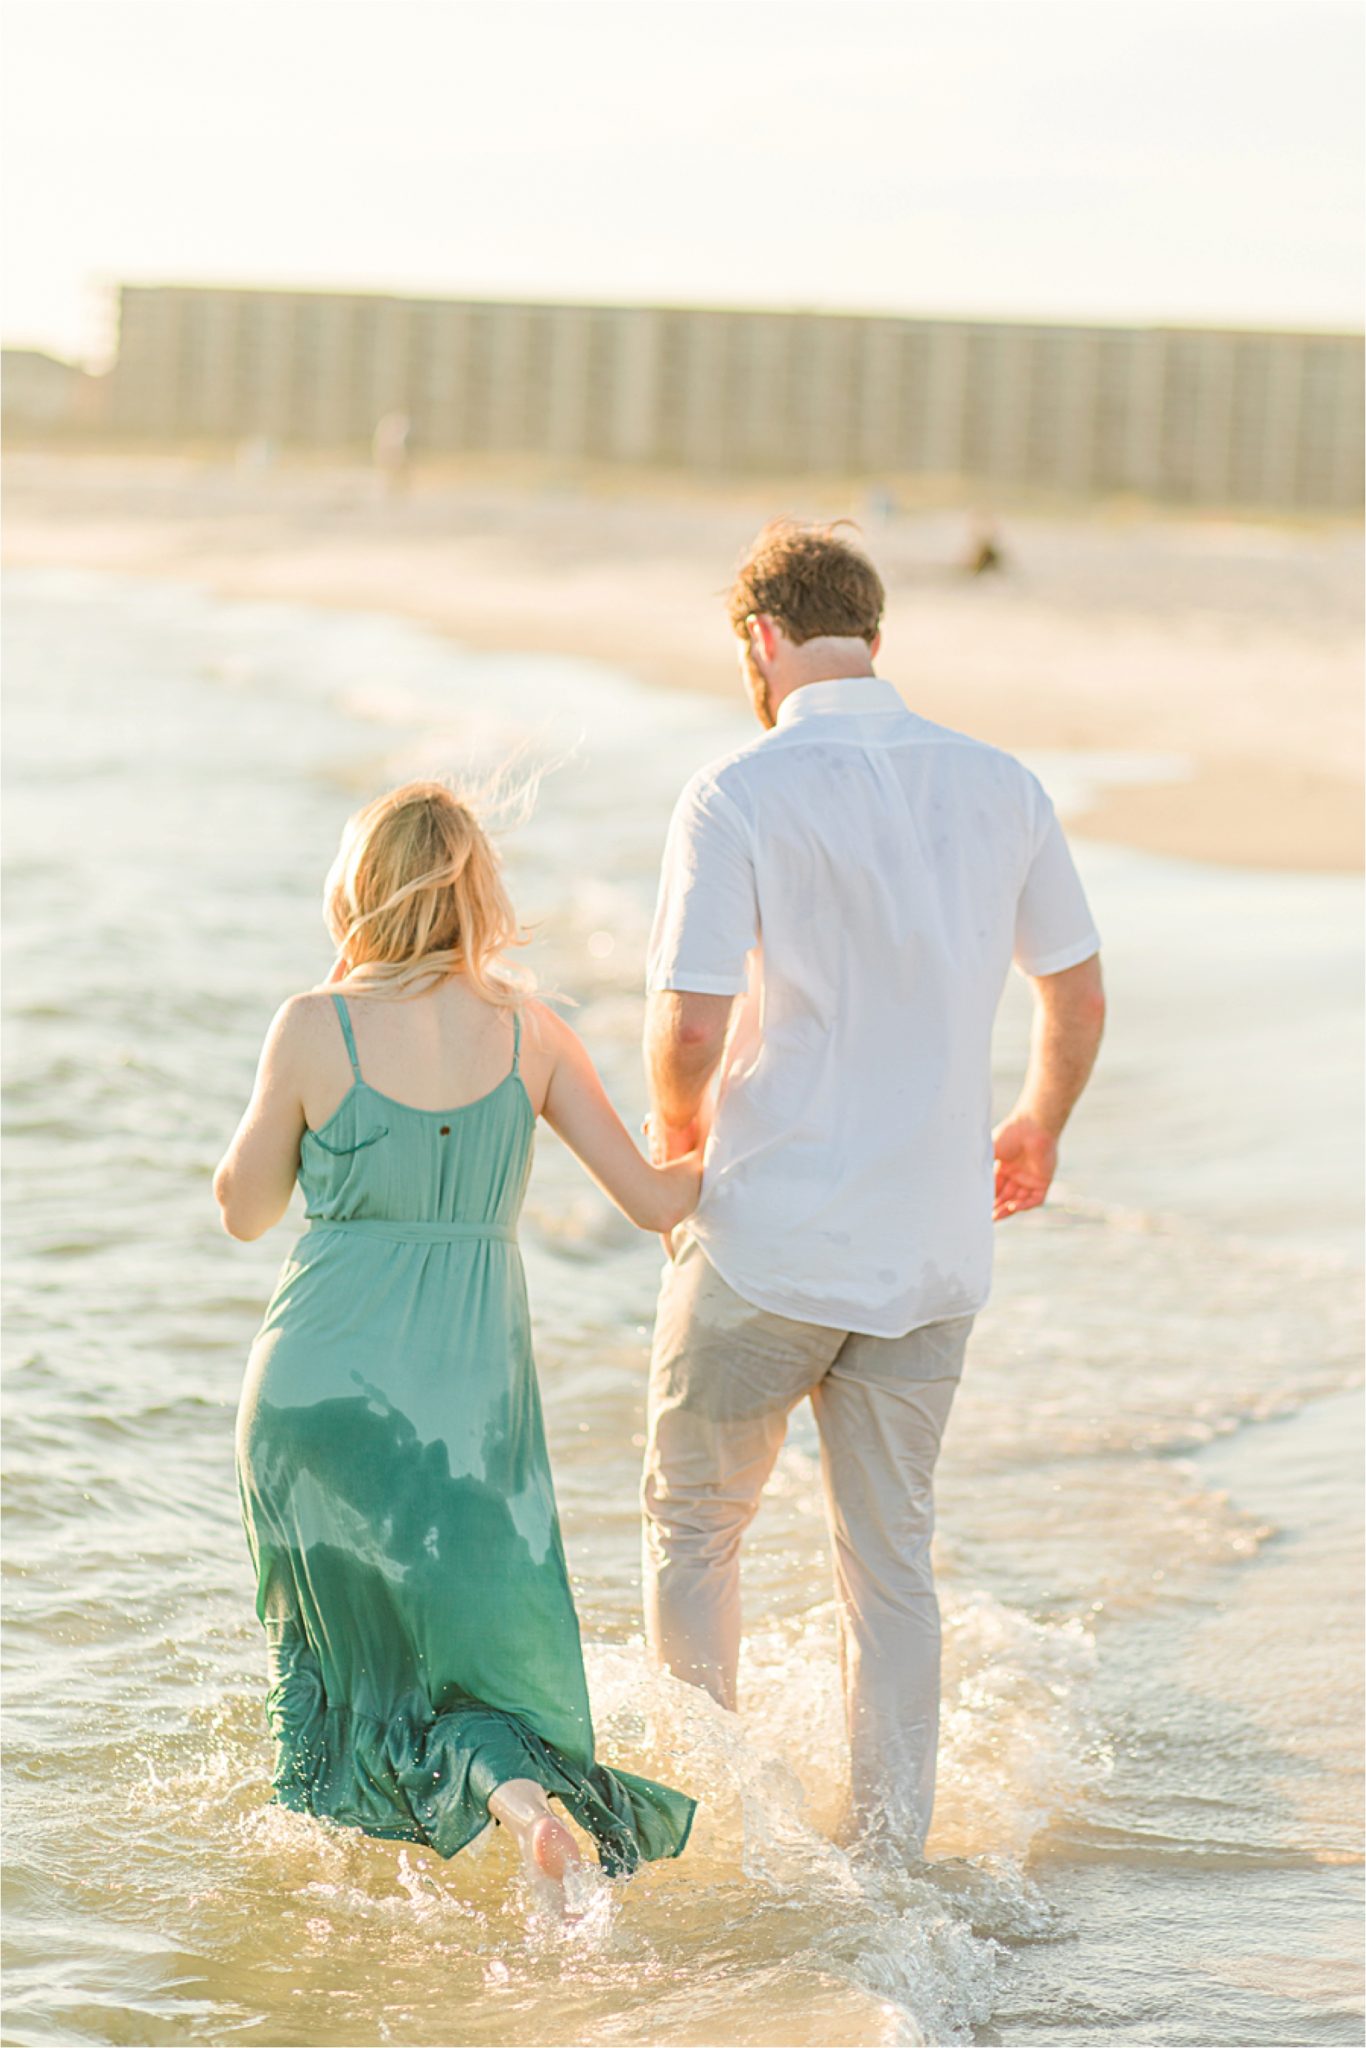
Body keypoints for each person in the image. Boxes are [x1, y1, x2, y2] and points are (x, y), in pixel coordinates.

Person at [641, 519, 1105, 1860]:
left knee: (693, 1535)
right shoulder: (1000, 783)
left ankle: (706, 1835)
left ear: (759, 642)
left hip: (763, 1245)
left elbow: (685, 1028)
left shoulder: (736, 788)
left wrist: (679, 1146)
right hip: (929, 1253)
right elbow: (1070, 988)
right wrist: (1036, 1124)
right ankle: (887, 1861)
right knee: (890, 1570)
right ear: (876, 639)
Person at [215, 780, 698, 1907]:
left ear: (359, 893)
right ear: (478, 892)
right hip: (464, 1420)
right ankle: (522, 1803)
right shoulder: (531, 1032)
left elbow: (243, 1209)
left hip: (308, 1395)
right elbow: (651, 1196)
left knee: (328, 1668)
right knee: (472, 1667)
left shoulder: (311, 1022)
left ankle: (320, 1935)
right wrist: (734, 1118)